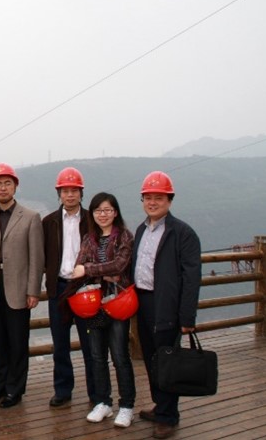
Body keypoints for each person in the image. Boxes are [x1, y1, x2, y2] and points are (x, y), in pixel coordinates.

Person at [131, 171, 201, 439]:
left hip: (167, 305)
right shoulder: (141, 230)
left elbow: (192, 278)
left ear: (169, 200)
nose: (152, 202)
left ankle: (168, 417)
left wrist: (187, 318)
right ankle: (161, 405)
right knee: (151, 358)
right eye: (148, 197)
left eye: (158, 198)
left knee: (167, 360)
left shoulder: (182, 233)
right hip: (143, 302)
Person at [0, 164, 44, 408]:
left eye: (7, 183)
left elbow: (36, 258)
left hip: (19, 288)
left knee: (17, 341)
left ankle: (15, 389)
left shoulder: (31, 217)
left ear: (15, 187)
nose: (2, 188)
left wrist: (33, 290)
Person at [69, 192, 136, 428]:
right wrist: (101, 272)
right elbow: (78, 266)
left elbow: (120, 265)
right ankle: (103, 402)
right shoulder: (89, 238)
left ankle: (126, 406)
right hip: (95, 305)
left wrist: (89, 269)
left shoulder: (125, 236)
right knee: (97, 356)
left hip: (117, 303)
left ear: (115, 212)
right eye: (98, 210)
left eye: (107, 210)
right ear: (93, 214)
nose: (103, 215)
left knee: (120, 356)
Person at [42, 167, 95, 407]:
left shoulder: (92, 220)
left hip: (85, 288)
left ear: (81, 193)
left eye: (74, 190)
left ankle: (96, 391)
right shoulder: (49, 222)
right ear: (59, 193)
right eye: (65, 191)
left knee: (90, 344)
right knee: (60, 344)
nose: (70, 195)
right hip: (59, 288)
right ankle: (62, 390)